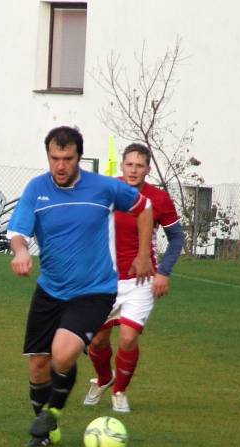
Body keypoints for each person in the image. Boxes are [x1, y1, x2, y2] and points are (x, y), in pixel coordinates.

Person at [8, 126, 154, 447]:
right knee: (38, 363)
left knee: (63, 353)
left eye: (68, 158)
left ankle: (54, 412)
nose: (60, 166)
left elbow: (144, 208)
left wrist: (144, 254)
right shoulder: (37, 189)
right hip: (51, 288)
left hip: (94, 290)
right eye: (54, 158)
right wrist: (20, 252)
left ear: (79, 157)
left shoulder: (102, 187)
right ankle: (45, 428)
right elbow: (18, 232)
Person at [83, 143, 186, 412]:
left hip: (141, 280)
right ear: (122, 165)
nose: (134, 170)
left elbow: (177, 238)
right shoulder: (108, 190)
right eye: (129, 164)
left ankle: (120, 391)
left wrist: (164, 271)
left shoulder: (158, 199)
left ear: (147, 169)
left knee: (128, 338)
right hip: (103, 280)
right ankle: (105, 378)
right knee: (97, 341)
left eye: (140, 166)